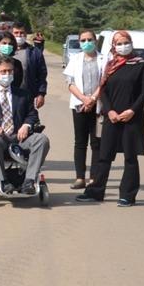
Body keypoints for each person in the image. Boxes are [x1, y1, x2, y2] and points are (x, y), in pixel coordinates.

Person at [77, 31, 144, 206]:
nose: (123, 46)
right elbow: (104, 90)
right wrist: (109, 111)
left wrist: (132, 111)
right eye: (119, 43)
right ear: (113, 46)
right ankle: (95, 192)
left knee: (130, 157)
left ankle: (127, 195)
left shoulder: (141, 65)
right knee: (104, 155)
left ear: (131, 43)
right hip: (112, 117)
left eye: (126, 42)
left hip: (132, 118)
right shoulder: (111, 65)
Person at [0, 57, 50, 194]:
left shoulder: (23, 94)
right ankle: (3, 180)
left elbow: (33, 114)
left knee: (42, 139)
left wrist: (26, 125)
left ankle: (29, 181)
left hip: (21, 138)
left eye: (10, 71)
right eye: (3, 71)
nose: (7, 75)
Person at [62, 29, 105, 189]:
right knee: (80, 142)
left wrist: (93, 99)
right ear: (79, 42)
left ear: (95, 41)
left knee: (96, 142)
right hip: (79, 105)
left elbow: (104, 82)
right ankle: (80, 177)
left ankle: (94, 177)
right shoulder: (75, 59)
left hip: (98, 106)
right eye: (83, 40)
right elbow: (70, 83)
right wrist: (84, 99)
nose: (86, 43)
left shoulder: (104, 59)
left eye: (89, 39)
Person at [12, 21, 48, 108]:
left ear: (26, 34)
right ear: (11, 34)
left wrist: (41, 94)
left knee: (28, 120)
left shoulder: (35, 53)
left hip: (27, 95)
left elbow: (42, 75)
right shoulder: (5, 51)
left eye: (22, 33)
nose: (19, 35)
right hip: (7, 96)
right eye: (16, 33)